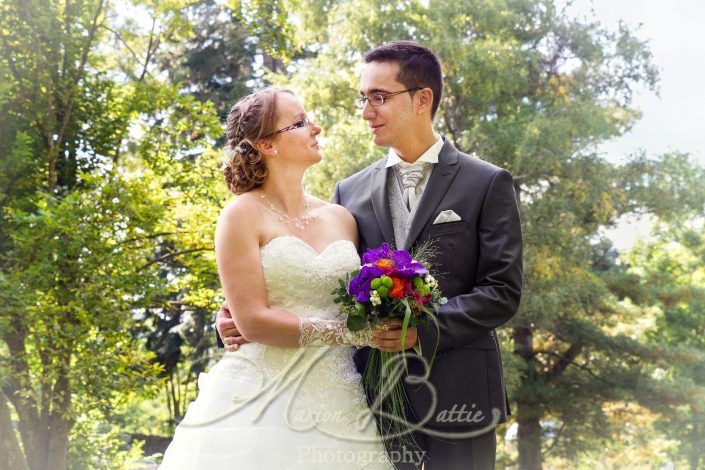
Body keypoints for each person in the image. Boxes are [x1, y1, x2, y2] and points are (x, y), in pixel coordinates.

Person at [218, 41, 523, 469]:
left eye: (378, 97)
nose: (365, 111)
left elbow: (502, 291)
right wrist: (233, 315)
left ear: (422, 99)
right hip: (370, 399)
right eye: (364, 98)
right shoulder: (349, 194)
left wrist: (423, 332)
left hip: (460, 393)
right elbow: (322, 280)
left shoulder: (487, 182)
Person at [160, 87, 397, 469]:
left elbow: (359, 297)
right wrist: (354, 334)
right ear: (267, 145)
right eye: (300, 123)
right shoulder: (241, 216)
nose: (315, 128)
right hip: (260, 399)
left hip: (339, 395)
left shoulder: (342, 218)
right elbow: (252, 321)